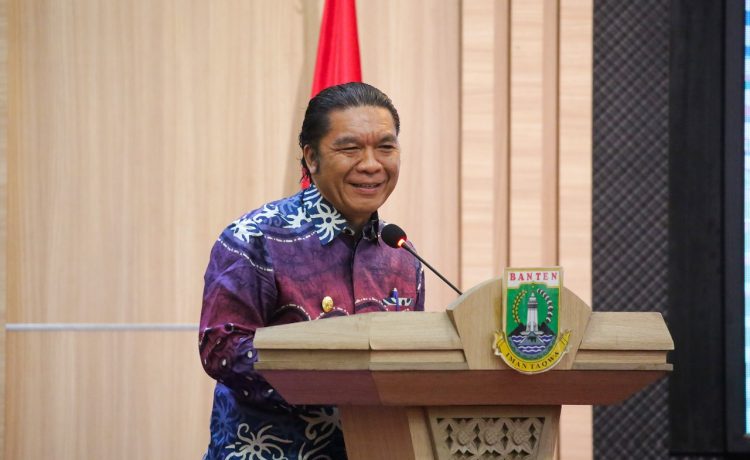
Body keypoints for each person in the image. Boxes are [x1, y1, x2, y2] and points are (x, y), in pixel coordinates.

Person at [199, 82, 425, 459]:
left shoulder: (400, 254)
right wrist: (337, 376)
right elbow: (221, 351)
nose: (371, 164)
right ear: (312, 157)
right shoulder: (256, 237)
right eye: (350, 148)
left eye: (385, 147)